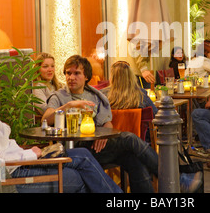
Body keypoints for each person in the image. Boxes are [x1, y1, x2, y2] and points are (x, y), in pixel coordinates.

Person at [0, 65, 122, 193]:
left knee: (83, 155)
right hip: (13, 176)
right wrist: (32, 154)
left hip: (18, 164)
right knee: (78, 177)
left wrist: (30, 153)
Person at [45, 55, 159, 193]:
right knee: (129, 138)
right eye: (68, 73)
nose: (71, 77)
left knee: (133, 158)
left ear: (86, 76)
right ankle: (170, 175)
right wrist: (68, 105)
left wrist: (104, 135)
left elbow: (107, 123)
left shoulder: (95, 96)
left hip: (95, 146)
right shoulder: (58, 96)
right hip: (74, 149)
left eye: (77, 73)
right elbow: (46, 118)